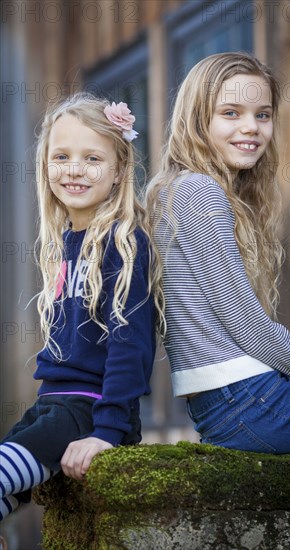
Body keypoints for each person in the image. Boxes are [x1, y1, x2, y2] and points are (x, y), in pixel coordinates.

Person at [145, 52, 290, 497]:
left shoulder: (183, 190)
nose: (252, 127)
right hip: (247, 400)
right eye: (231, 113)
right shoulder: (198, 191)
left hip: (233, 403)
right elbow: (252, 331)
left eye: (262, 114)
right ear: (197, 119)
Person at [0, 93, 156, 522]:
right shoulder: (64, 245)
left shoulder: (122, 244)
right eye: (62, 156)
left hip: (90, 410)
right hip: (53, 406)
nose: (74, 169)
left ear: (120, 169)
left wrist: (107, 431)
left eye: (92, 159)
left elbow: (131, 346)